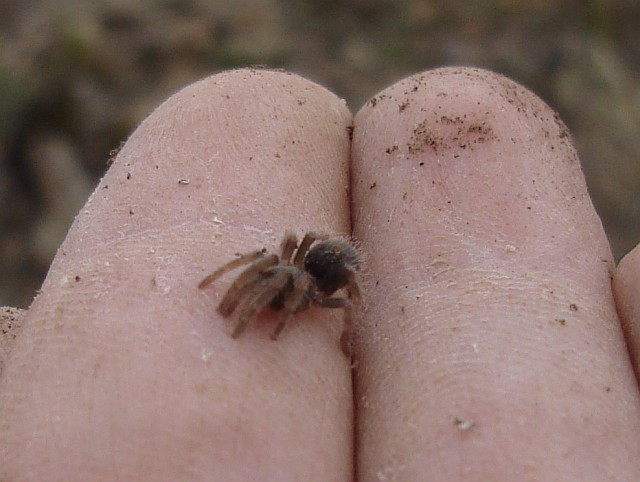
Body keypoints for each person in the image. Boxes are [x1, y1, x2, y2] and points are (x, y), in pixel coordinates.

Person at [1, 67, 639, 480]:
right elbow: (274, 263)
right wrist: (218, 288)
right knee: (272, 262)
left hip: (323, 269)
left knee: (289, 276)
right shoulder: (283, 260)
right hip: (307, 261)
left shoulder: (320, 288)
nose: (270, 289)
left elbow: (322, 289)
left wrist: (331, 329)